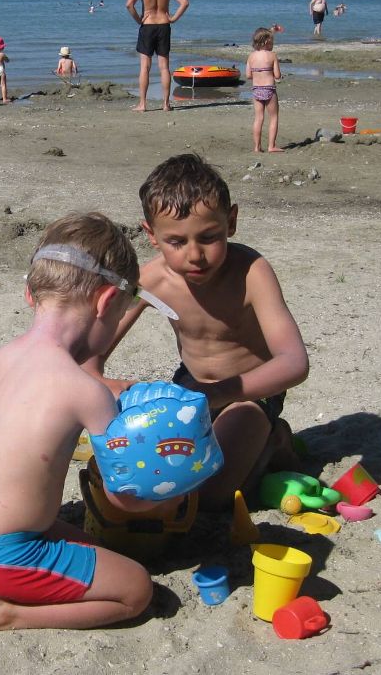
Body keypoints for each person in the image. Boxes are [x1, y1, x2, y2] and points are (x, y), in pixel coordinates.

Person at [0, 213, 159, 645]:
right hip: (4, 557)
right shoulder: (85, 391)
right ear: (105, 303)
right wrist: (164, 485)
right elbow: (122, 498)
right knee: (136, 588)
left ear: (30, 292)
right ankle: (2, 613)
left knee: (78, 543)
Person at [83, 154, 309, 512]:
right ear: (151, 235)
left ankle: (274, 440)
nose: (195, 255)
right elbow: (92, 351)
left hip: (250, 393)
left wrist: (220, 394)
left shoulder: (251, 273)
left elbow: (294, 362)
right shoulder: (150, 281)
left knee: (209, 495)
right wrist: (108, 385)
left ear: (231, 221)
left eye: (209, 237)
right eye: (176, 242)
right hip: (189, 389)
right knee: (155, 479)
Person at [126, 0, 189, 112]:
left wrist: (138, 20)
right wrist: (173, 18)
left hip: (147, 26)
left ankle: (142, 104)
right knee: (164, 67)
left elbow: (129, 4)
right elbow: (185, 2)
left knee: (145, 67)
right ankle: (166, 104)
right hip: (163, 25)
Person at [246, 27, 283, 153]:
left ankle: (257, 147)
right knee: (274, 117)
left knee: (258, 118)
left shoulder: (251, 56)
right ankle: (271, 146)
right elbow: (277, 75)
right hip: (269, 89)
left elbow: (248, 75)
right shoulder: (272, 55)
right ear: (266, 42)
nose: (273, 44)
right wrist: (273, 74)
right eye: (272, 42)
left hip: (256, 89)